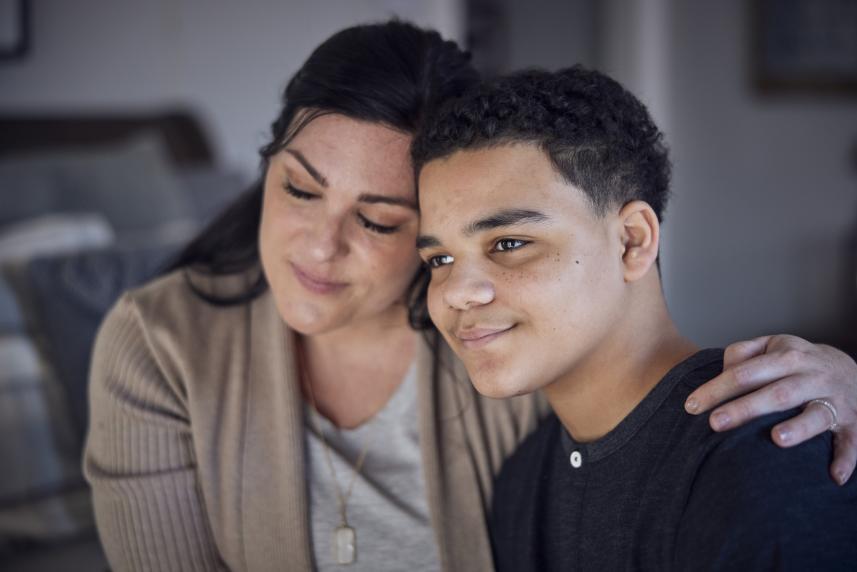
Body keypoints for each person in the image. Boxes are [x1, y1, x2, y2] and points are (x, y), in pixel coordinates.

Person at [82, 20, 857, 572]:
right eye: (298, 190)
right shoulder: (526, 474)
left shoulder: (739, 458)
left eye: (379, 220)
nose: (319, 247)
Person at [411, 65, 857, 571]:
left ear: (632, 242)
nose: (457, 293)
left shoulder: (767, 459)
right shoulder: (520, 482)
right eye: (439, 259)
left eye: (509, 243)